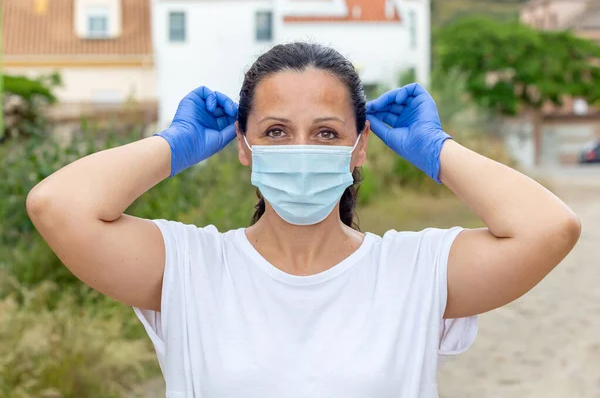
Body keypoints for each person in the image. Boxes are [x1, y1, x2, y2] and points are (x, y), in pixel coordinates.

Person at [26, 42, 581, 397]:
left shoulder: (414, 270)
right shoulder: (190, 266)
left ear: (358, 146)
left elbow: (549, 228)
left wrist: (436, 149)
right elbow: (58, 206)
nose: (300, 148)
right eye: (275, 132)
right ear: (243, 146)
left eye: (325, 132)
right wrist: (175, 145)